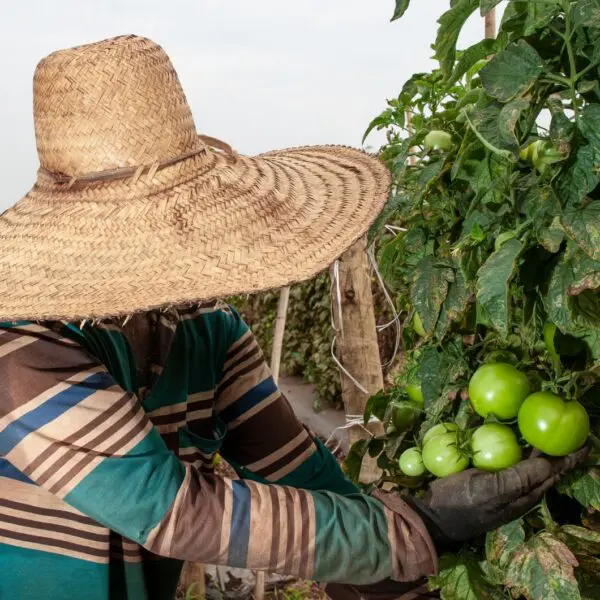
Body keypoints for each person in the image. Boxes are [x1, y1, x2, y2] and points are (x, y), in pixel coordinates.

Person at [0, 35, 587, 600]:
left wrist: (395, 565)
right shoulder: (20, 349)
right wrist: (421, 527)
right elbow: (172, 511)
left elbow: (297, 470)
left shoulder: (209, 329)